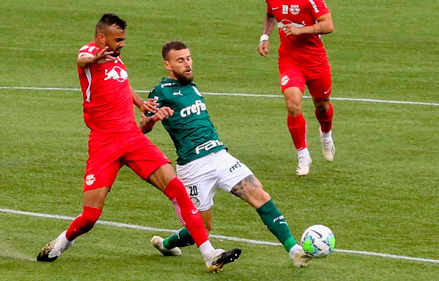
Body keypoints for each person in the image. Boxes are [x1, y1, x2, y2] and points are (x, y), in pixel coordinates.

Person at [36, 13, 241, 273]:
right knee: (89, 218)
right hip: (104, 144)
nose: (122, 43)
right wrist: (96, 58)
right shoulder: (90, 52)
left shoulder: (116, 58)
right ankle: (64, 241)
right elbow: (82, 59)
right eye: (117, 39)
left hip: (132, 138)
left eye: (123, 39)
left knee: (177, 189)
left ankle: (210, 254)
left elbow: (121, 83)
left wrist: (140, 103)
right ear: (102, 38)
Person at [139, 40, 311, 268]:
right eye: (180, 61)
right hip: (193, 166)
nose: (188, 64)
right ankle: (166, 244)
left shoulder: (193, 87)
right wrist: (153, 118)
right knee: (202, 227)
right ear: (168, 65)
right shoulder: (160, 91)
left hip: (220, 156)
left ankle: (294, 250)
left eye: (189, 58)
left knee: (261, 196)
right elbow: (142, 125)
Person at [257, 0, 336, 176]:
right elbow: (271, 15)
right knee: (293, 104)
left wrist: (300, 30)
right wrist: (265, 37)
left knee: (322, 106)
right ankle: (303, 154)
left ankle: (326, 134)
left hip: (316, 61)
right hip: (289, 60)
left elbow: (328, 25)